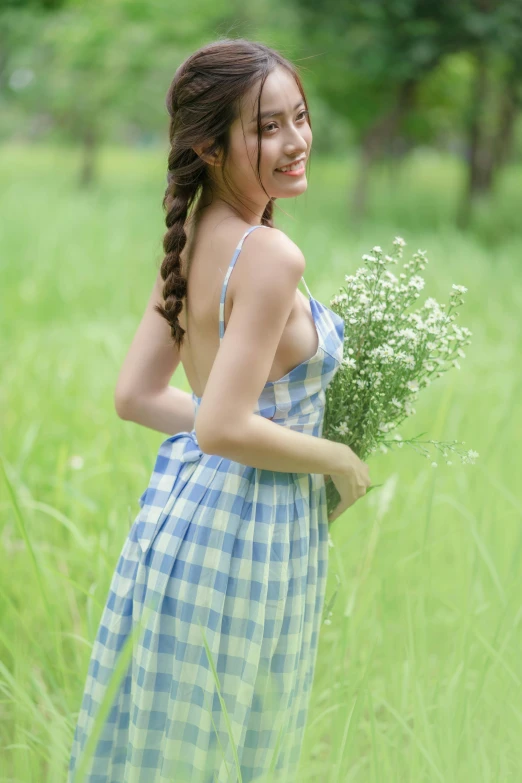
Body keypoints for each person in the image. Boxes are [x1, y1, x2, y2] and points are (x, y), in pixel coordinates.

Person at [67, 37, 370, 783]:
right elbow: (223, 423)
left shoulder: (198, 231)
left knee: (170, 753)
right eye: (268, 127)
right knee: (232, 756)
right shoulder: (270, 256)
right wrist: (333, 457)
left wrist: (226, 431)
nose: (296, 141)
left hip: (180, 521)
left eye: (299, 117)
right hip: (246, 538)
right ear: (208, 146)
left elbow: (139, 397)